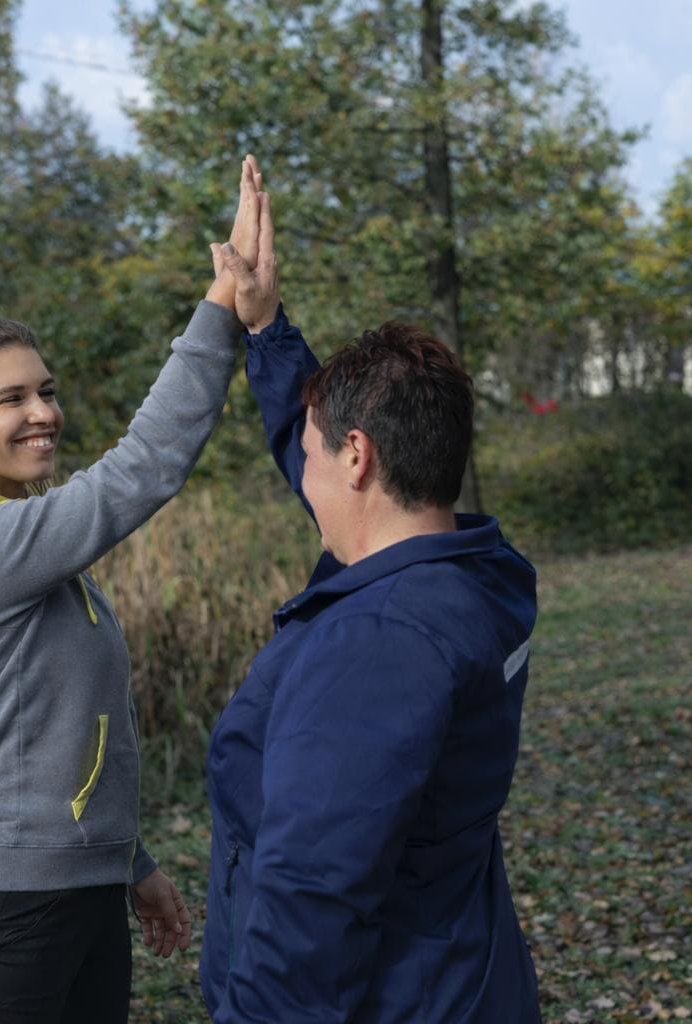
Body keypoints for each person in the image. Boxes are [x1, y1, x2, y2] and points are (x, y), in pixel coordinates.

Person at [0, 158, 278, 1023]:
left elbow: (55, 737)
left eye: (46, 390)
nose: (44, 411)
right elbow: (139, 472)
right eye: (10, 398)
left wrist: (131, 865)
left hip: (72, 902)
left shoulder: (30, 552)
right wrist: (218, 310)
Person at [200, 200, 542, 1021]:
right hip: (461, 976)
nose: (300, 464)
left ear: (357, 456)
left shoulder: (380, 642)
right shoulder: (481, 572)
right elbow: (315, 448)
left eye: (315, 450)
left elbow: (314, 897)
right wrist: (267, 328)